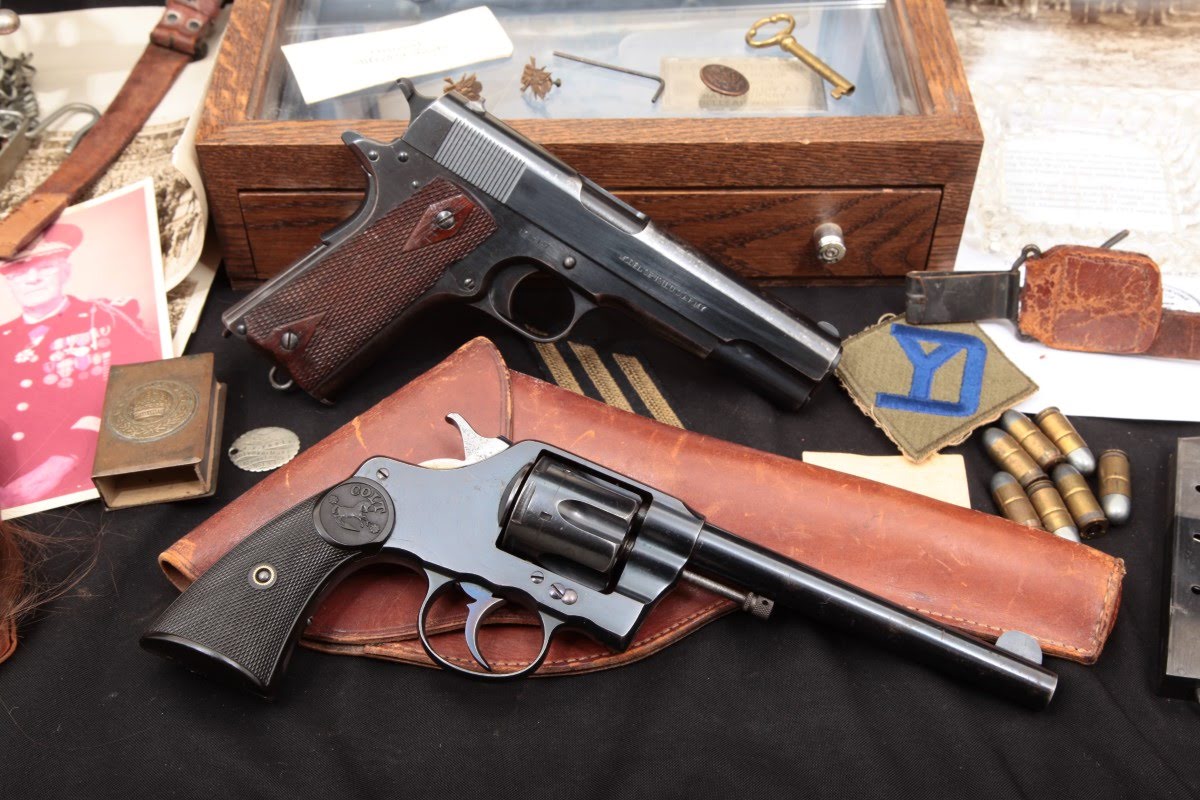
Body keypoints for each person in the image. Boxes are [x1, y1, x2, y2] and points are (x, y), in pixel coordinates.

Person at [0, 224, 160, 511]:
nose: (32, 278)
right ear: (7, 279)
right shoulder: (2, 338)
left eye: (45, 267)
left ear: (66, 272)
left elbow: (145, 391)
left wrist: (66, 458)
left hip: (89, 481)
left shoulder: (108, 320)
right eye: (19, 271)